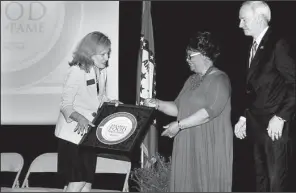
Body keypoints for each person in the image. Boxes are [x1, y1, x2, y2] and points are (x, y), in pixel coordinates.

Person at [144, 31, 233, 192]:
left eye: (190, 56)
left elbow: (209, 112)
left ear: (204, 55)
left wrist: (179, 125)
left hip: (208, 146)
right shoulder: (191, 80)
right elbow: (178, 108)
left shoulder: (220, 79)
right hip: (187, 143)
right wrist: (157, 103)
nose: (187, 60)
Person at [234, 1, 296, 191]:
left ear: (260, 18)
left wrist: (281, 117)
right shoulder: (253, 46)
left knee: (277, 185)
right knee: (261, 183)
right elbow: (255, 90)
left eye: (243, 19)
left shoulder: (278, 44)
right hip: (256, 126)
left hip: (275, 129)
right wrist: (244, 116)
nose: (240, 25)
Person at [54, 31, 121, 192]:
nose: (106, 58)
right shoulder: (76, 71)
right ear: (90, 54)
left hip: (89, 135)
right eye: (103, 54)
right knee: (77, 182)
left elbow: (99, 98)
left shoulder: (102, 71)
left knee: (87, 183)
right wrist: (80, 118)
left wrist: (111, 102)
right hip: (72, 135)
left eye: (108, 53)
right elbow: (65, 105)